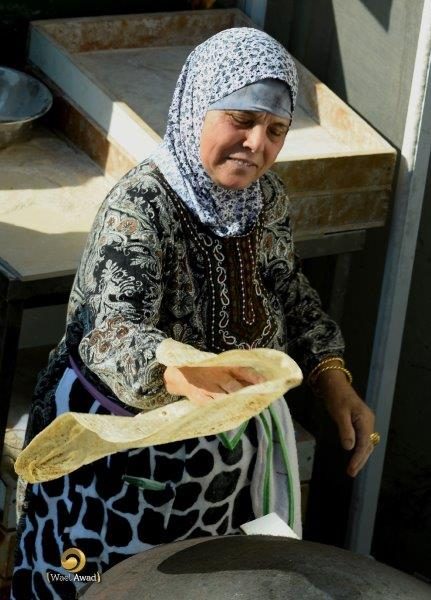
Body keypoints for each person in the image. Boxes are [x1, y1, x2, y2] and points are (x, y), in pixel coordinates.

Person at [11, 27, 376, 599]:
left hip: (213, 458)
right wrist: (176, 371)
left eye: (276, 130)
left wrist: (332, 376)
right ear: (196, 106)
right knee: (89, 583)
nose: (256, 144)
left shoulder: (265, 200)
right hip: (115, 454)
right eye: (241, 120)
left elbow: (287, 289)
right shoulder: (142, 205)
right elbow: (110, 332)